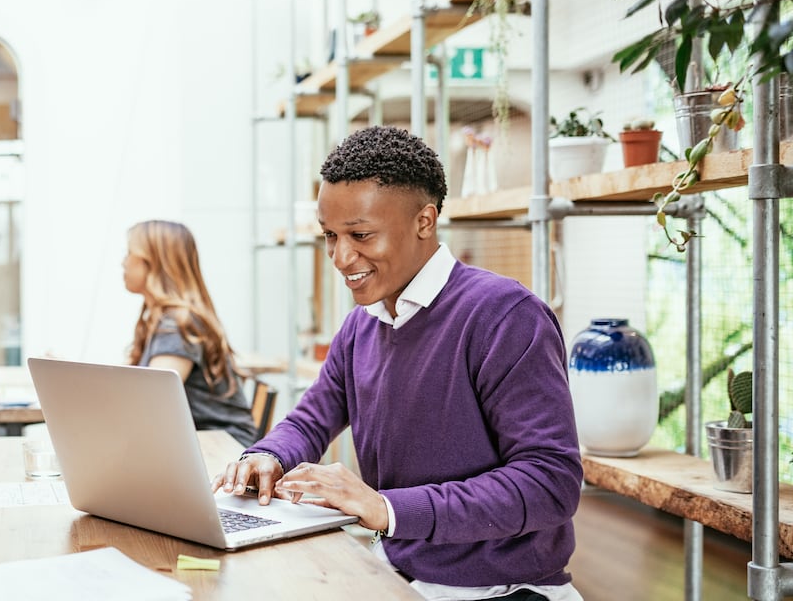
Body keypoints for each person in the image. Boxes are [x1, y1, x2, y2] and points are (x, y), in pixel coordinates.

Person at [213, 127, 583, 601]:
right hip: (396, 571)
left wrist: (385, 507)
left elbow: (549, 483)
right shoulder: (362, 325)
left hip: (499, 590)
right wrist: (266, 455)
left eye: (361, 235)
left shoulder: (505, 316)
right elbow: (311, 418)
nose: (341, 257)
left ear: (425, 221)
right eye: (330, 236)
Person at [123, 220, 256, 446]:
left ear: (153, 262)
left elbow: (149, 400)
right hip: (202, 441)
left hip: (222, 448)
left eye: (129, 253)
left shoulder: (179, 324)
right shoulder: (165, 319)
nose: (123, 262)